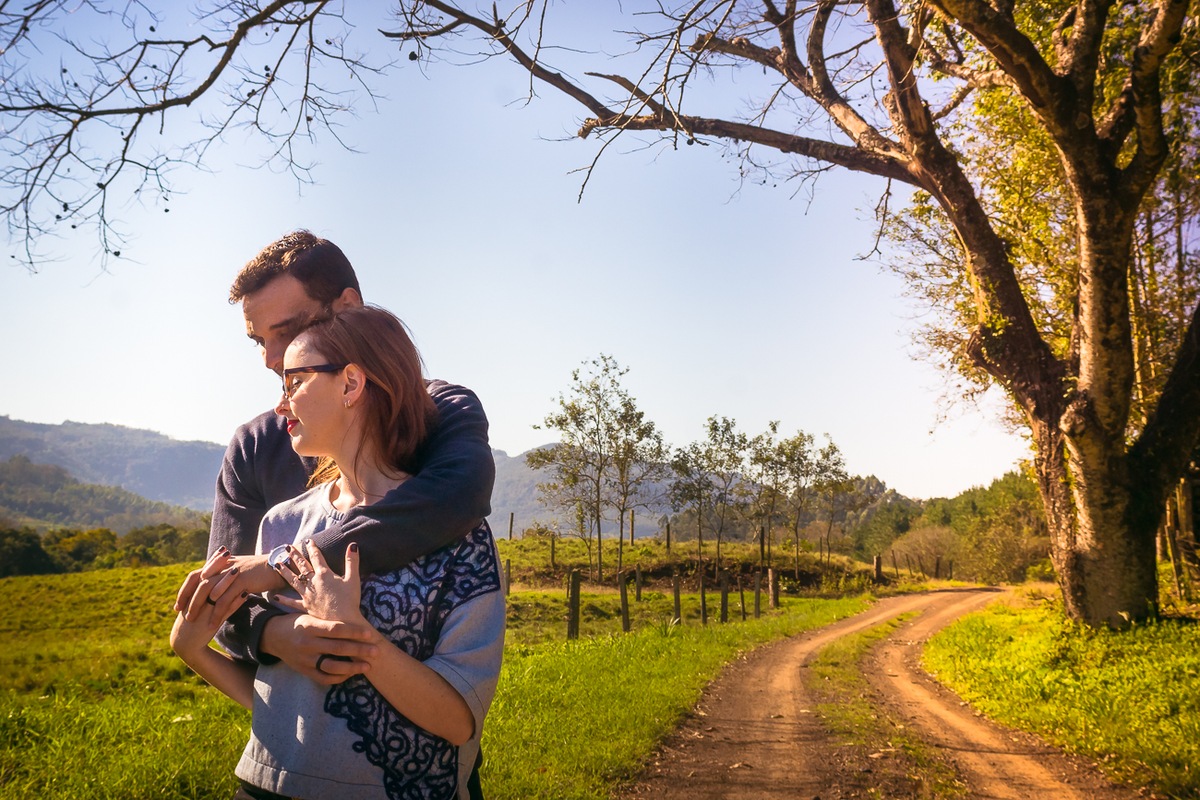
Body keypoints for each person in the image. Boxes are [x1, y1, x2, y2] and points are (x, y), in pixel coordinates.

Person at [172, 306, 505, 800]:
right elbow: (278, 702)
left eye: (294, 382)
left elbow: (458, 722)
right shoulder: (282, 523)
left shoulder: (462, 538)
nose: (281, 406)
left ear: (351, 384)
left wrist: (359, 640)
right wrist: (191, 649)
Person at [174, 230, 494, 687]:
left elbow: (460, 496)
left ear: (348, 308)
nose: (271, 359)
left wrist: (279, 565)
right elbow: (224, 598)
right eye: (258, 341)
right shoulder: (254, 447)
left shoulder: (439, 412)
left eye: (286, 332)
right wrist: (282, 636)